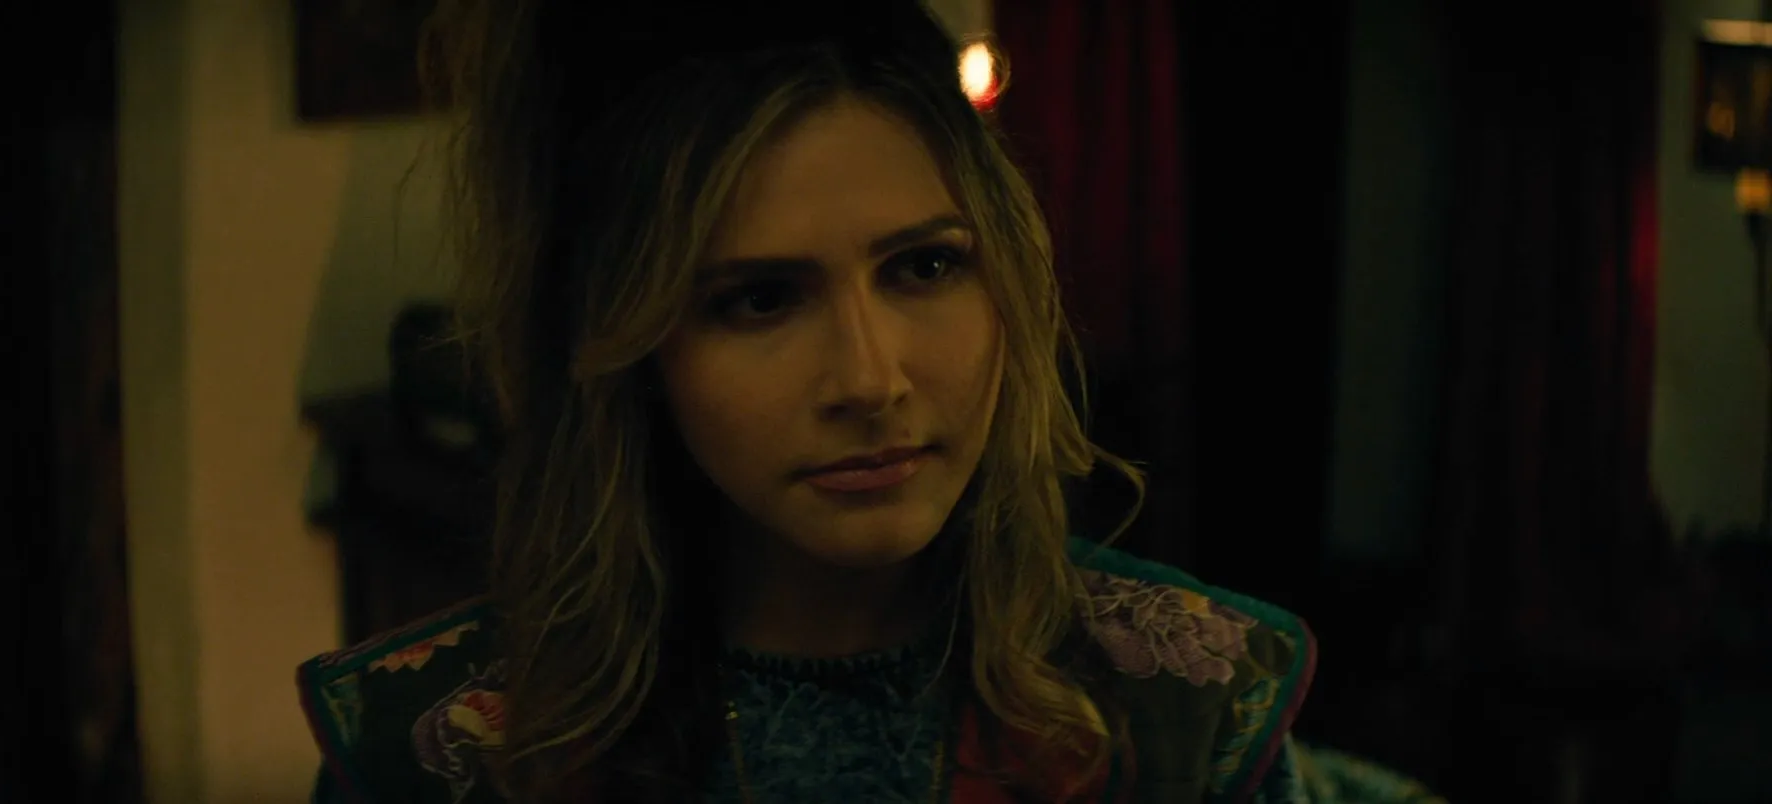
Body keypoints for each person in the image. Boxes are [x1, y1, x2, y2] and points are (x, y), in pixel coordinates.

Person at [296, 1, 1438, 801]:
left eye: (925, 266)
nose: (870, 379)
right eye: (759, 300)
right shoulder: (442, 753)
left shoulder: (1188, 707)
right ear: (629, 346)